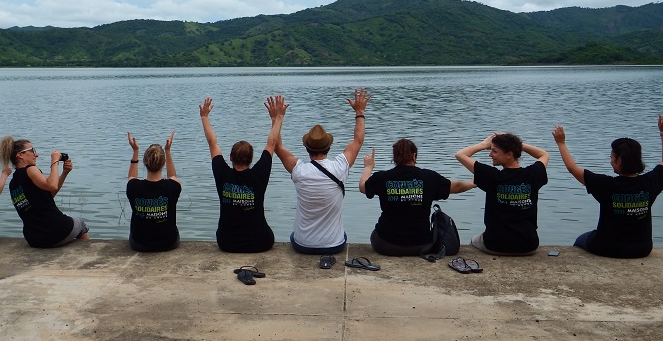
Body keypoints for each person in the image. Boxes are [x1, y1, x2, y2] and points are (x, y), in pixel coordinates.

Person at [274, 88, 371, 255]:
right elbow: (358, 140)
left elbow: (276, 146)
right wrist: (359, 112)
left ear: (306, 148)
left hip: (302, 245)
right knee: (342, 234)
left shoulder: (299, 170)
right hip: (334, 245)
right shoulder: (340, 167)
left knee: (294, 235)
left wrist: (277, 118)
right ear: (329, 146)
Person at [551, 116, 663, 258]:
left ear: (619, 160)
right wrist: (662, 133)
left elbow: (573, 169)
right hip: (642, 248)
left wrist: (561, 143)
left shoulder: (606, 185)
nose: (610, 161)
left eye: (611, 157)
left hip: (608, 247)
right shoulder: (650, 182)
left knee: (581, 239)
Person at [199, 95, 288, 253]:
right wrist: (278, 117)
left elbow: (212, 143)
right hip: (260, 242)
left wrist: (204, 117)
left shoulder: (222, 173)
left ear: (230, 157)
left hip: (226, 242)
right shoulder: (259, 174)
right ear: (252, 159)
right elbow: (271, 143)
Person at [358, 139, 476, 256]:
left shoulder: (382, 177)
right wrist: (473, 183)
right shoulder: (429, 177)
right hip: (421, 245)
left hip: (386, 244)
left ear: (394, 158)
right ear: (414, 156)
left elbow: (363, 187)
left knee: (376, 232)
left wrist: (368, 167)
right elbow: (456, 187)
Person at [455, 133, 549, 255]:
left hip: (495, 245)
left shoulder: (493, 176)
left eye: (494, 151)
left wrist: (483, 145)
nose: (490, 154)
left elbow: (460, 154)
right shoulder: (532, 174)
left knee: (474, 240)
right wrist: (517, 144)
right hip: (528, 245)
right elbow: (544, 154)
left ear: (509, 154)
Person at [0, 137, 89, 248]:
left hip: (34, 239)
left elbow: (49, 195)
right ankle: (87, 254)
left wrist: (65, 173)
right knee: (81, 223)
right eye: (32, 151)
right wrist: (54, 162)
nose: (36, 155)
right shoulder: (31, 169)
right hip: (56, 232)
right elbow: (51, 185)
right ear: (20, 155)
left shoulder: (13, 183)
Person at [126, 131, 181, 252]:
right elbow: (173, 177)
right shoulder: (173, 186)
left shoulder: (133, 187)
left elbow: (131, 177)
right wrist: (168, 151)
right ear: (164, 163)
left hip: (139, 243)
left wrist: (135, 151)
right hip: (168, 243)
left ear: (144, 162)